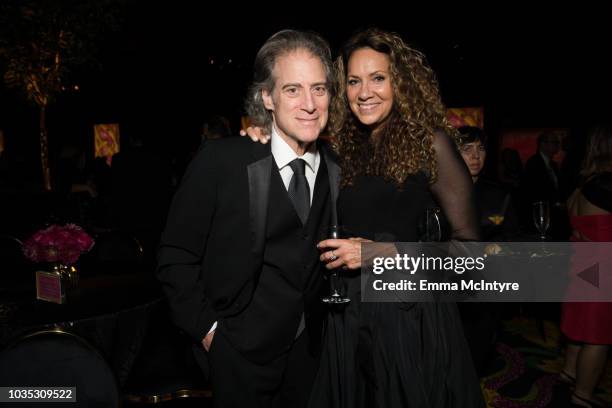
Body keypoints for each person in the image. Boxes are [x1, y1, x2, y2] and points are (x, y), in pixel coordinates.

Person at [245, 28, 484, 408]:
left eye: (378, 78)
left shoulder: (431, 143)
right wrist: (264, 131)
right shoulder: (341, 145)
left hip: (409, 316)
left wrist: (383, 253)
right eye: (354, 81)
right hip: (347, 314)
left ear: (400, 82)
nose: (364, 92)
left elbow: (471, 253)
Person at [157, 30, 340, 408]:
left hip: (315, 357)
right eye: (292, 90)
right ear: (267, 97)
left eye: (319, 89)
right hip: (238, 355)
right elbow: (175, 257)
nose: (309, 103)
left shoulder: (339, 169)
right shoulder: (222, 162)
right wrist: (210, 333)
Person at [560, 123, 612, 408]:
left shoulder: (582, 185)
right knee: (600, 336)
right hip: (601, 268)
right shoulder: (605, 184)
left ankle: (569, 373)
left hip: (582, 262)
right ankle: (583, 395)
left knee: (581, 325)